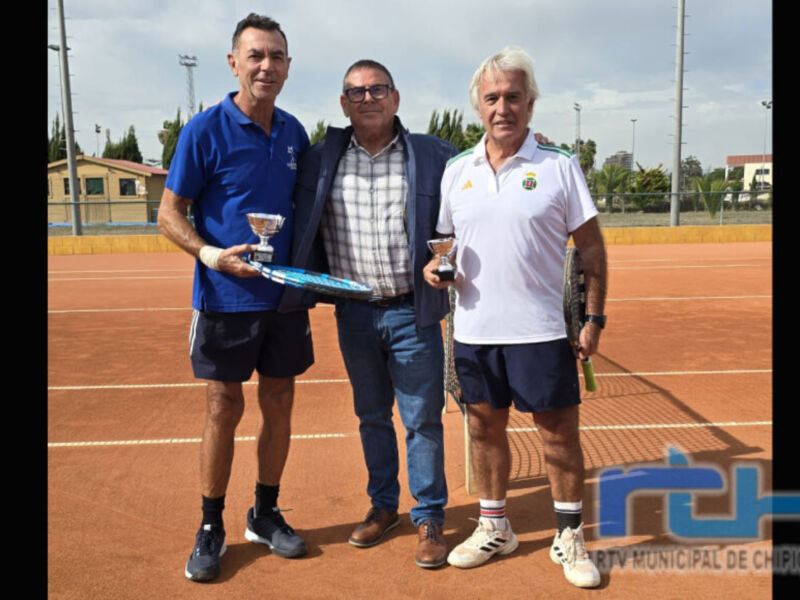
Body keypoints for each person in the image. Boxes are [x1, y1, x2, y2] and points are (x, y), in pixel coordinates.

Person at [423, 47, 608, 589]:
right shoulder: (457, 171)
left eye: (513, 97)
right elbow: (445, 248)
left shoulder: (559, 165)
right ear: (478, 106)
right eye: (492, 97)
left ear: (530, 103)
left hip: (543, 332)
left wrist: (593, 316)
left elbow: (592, 251)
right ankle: (494, 527)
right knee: (483, 431)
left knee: (558, 437)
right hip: (474, 331)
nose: (502, 107)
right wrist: (438, 269)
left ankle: (569, 534)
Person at [278, 59, 456, 569]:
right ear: (343, 104)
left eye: (378, 89)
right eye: (356, 92)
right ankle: (384, 506)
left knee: (422, 420)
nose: (368, 98)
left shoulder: (431, 154)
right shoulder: (319, 160)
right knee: (371, 416)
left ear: (395, 98)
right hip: (354, 313)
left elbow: (468, 200)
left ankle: (429, 516)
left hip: (411, 311)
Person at [157, 14, 314, 582]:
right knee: (224, 407)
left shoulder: (295, 133)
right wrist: (210, 256)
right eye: (255, 56)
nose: (266, 66)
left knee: (279, 404)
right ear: (233, 63)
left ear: (288, 67)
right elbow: (168, 213)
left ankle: (265, 512)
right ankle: (209, 524)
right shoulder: (204, 130)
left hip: (283, 300)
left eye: (276, 57)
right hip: (224, 298)